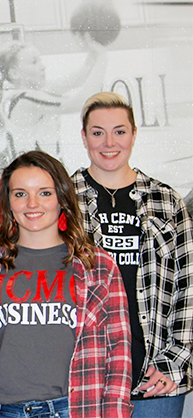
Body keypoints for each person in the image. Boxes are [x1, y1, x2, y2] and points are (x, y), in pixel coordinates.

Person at [0, 150, 133, 418]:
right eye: (20, 193)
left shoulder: (97, 267)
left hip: (71, 409)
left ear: (62, 199)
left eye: (45, 193)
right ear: (8, 203)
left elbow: (119, 356)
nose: (32, 203)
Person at [72, 92, 193, 417]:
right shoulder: (62, 200)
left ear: (134, 134)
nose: (109, 142)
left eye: (120, 131)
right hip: (86, 378)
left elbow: (189, 285)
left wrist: (176, 359)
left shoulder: (167, 200)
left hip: (156, 380)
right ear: (84, 137)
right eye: (97, 132)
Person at [0, 35, 106, 168]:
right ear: (14, 73)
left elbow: (79, 77)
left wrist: (92, 48)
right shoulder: (24, 99)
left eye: (40, 60)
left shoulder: (33, 91)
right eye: (33, 62)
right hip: (35, 176)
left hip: (40, 173)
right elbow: (81, 102)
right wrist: (102, 57)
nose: (43, 67)